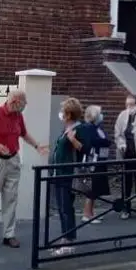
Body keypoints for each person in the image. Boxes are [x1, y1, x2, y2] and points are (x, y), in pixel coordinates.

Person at [0, 89, 48, 250]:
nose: (25, 105)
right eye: (23, 102)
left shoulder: (18, 116)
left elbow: (24, 134)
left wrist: (36, 146)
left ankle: (9, 235)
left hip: (13, 159)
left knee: (11, 198)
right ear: (15, 101)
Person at [49, 97, 89, 256]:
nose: (61, 114)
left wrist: (73, 140)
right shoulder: (66, 128)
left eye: (63, 111)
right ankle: (65, 236)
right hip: (59, 173)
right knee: (61, 206)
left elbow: (84, 149)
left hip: (68, 173)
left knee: (66, 206)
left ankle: (69, 239)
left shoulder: (78, 129)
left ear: (69, 114)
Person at [114, 94, 136, 220]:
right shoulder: (122, 115)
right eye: (127, 104)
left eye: (132, 104)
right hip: (127, 154)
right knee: (126, 183)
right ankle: (126, 208)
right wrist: (121, 145)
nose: (129, 107)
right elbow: (118, 134)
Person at [81, 105, 111, 223]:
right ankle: (87, 214)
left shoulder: (98, 127)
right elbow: (93, 141)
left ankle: (91, 212)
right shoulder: (88, 128)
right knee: (92, 187)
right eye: (100, 113)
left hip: (100, 160)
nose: (101, 116)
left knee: (96, 187)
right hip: (93, 161)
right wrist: (105, 142)